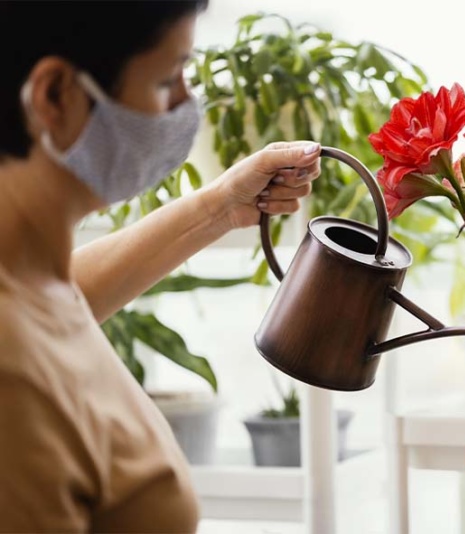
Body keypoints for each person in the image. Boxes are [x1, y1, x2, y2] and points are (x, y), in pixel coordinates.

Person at [0, 1, 321, 531]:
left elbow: (63, 304)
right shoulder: (13, 376)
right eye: (167, 79)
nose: (185, 104)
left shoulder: (36, 280)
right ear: (55, 96)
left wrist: (218, 208)